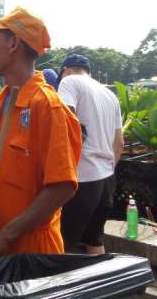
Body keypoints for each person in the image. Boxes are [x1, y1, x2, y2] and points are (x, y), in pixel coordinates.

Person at [0, 7, 82, 261]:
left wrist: (5, 236)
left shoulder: (48, 107)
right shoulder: (4, 101)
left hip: (33, 251)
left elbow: (62, 187)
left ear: (13, 44)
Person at [57, 54, 123, 254]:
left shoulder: (69, 82)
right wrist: (108, 168)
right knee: (94, 239)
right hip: (107, 179)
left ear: (66, 70)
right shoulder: (109, 94)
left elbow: (65, 124)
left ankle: (66, 285)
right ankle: (100, 284)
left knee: (64, 243)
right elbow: (119, 142)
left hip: (82, 176)